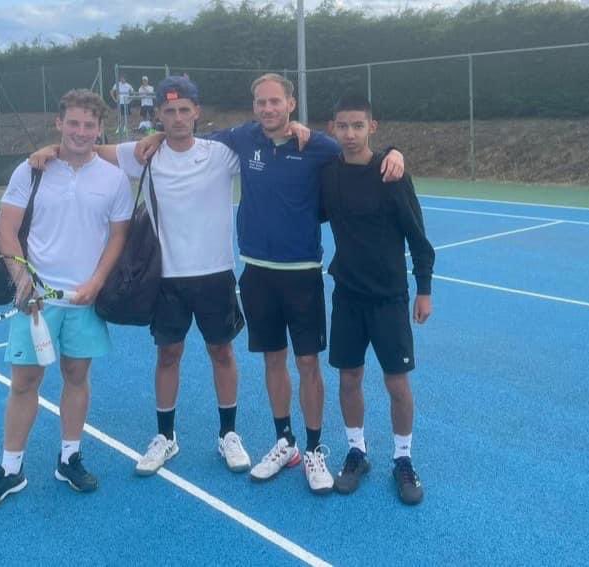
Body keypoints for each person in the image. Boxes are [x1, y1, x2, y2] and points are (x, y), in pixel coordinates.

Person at [134, 73, 405, 494]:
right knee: (272, 362)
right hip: (256, 272)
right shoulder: (242, 139)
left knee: (308, 364)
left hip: (302, 274)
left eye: (275, 102)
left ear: (290, 104)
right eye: (260, 102)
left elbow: (359, 151)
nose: (267, 109)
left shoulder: (317, 145)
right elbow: (188, 133)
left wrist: (393, 152)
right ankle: (286, 442)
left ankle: (315, 450)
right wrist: (153, 135)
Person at [29, 76, 253, 477]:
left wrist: (299, 127)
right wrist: (51, 149)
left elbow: (267, 137)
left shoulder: (221, 154)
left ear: (197, 112)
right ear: (159, 116)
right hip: (165, 278)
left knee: (222, 352)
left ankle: (228, 435)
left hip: (216, 274)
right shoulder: (145, 153)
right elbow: (91, 149)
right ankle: (165, 437)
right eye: (170, 111)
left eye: (185, 110)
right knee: (168, 355)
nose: (178, 117)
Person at [0, 89, 133, 513]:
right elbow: (7, 231)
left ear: (100, 129)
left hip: (84, 300)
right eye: (73, 123)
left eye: (89, 125)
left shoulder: (113, 179)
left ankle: (69, 458)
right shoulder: (32, 170)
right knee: (24, 382)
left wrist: (97, 282)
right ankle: (10, 470)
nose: (81, 132)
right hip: (36, 301)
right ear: (59, 124)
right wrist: (23, 281)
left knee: (77, 377)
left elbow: (118, 237)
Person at [320, 95, 433, 505]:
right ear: (332, 128)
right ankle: (356, 451)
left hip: (388, 298)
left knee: (396, 383)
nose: (350, 134)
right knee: (348, 378)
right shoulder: (328, 174)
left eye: (358, 126)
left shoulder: (391, 174)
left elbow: (419, 238)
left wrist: (424, 290)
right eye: (342, 126)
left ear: (373, 127)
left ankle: (402, 459)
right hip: (347, 295)